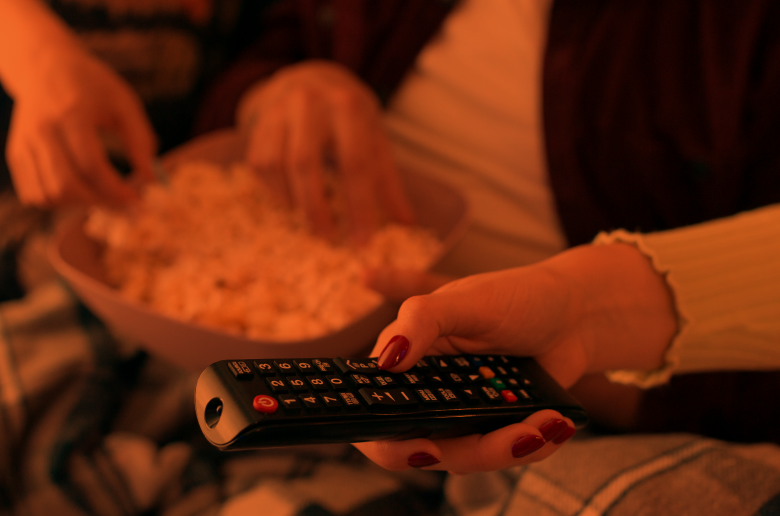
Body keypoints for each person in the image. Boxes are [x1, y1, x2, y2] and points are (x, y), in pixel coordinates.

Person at [192, 0, 780, 476]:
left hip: (586, 391)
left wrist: (576, 361)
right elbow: (245, 70)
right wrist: (275, 91)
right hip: (283, 319)